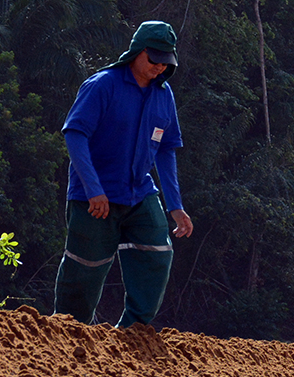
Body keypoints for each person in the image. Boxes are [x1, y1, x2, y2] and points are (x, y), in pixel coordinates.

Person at [54, 21, 194, 327]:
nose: (159, 67)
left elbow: (166, 149)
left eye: (165, 62)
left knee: (157, 251)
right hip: (94, 196)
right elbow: (75, 134)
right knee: (85, 270)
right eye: (154, 60)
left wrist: (175, 205)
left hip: (139, 192)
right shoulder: (103, 85)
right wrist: (93, 189)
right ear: (136, 52)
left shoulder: (163, 95)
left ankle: (132, 332)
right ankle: (67, 333)